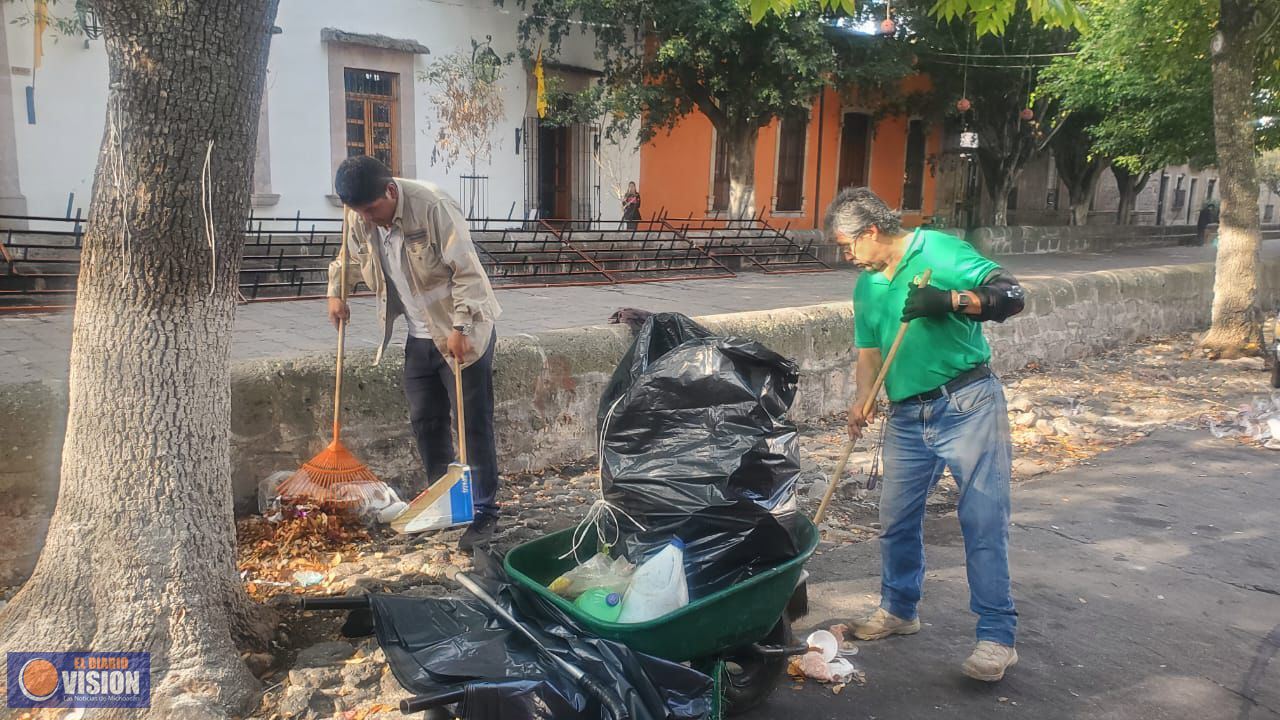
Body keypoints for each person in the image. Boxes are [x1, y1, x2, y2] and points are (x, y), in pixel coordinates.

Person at [823, 187, 1027, 682]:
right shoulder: (868, 286)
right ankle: (899, 609)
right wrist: (863, 398)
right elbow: (869, 350)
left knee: (981, 519)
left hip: (967, 403)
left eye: (847, 245)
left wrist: (953, 300)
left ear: (871, 232)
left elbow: (1012, 295)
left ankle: (997, 638)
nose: (847, 256)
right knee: (895, 518)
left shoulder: (938, 251)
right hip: (908, 415)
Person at [327, 156, 503, 551]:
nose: (368, 219)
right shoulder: (360, 216)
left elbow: (469, 272)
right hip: (418, 335)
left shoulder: (433, 207)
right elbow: (349, 257)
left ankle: (484, 510)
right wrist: (336, 291)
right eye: (359, 212)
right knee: (426, 422)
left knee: (472, 425)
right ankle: (444, 502)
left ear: (390, 191)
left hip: (462, 331)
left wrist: (461, 327)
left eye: (372, 209)